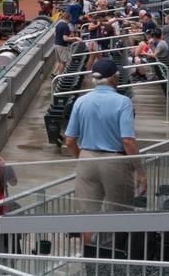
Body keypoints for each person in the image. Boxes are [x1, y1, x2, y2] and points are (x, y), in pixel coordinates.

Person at [63, 59, 145, 247]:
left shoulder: (81, 101)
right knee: (119, 214)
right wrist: (140, 171)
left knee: (88, 218)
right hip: (115, 161)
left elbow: (69, 140)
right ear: (114, 78)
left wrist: (81, 158)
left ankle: (90, 261)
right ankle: (114, 260)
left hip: (86, 159)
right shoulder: (123, 102)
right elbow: (128, 141)